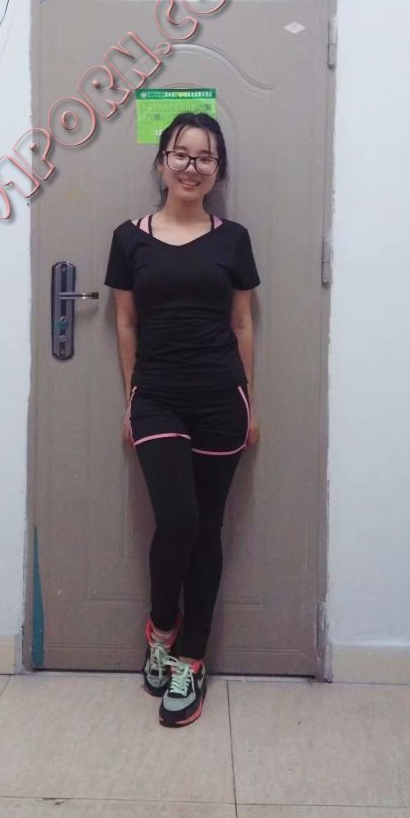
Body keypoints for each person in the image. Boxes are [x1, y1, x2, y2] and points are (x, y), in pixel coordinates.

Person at [104, 111, 260, 728]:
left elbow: (243, 323)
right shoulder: (128, 238)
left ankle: (190, 660)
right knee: (178, 521)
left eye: (206, 157)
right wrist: (131, 400)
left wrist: (250, 402)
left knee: (208, 529)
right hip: (158, 396)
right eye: (182, 154)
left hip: (221, 397)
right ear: (162, 161)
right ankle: (162, 625)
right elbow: (125, 323)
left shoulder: (233, 238)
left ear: (218, 171)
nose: (192, 167)